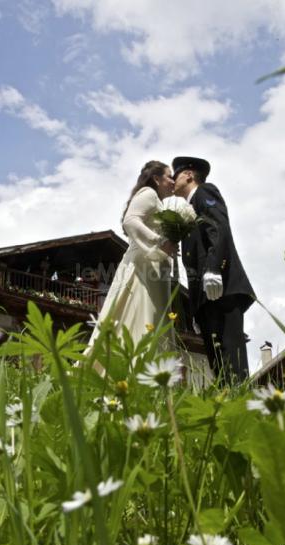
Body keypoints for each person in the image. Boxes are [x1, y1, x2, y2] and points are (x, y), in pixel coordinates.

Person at [172, 156, 255, 384]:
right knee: (218, 363)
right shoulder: (190, 207)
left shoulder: (205, 192)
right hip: (207, 297)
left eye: (175, 175)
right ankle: (228, 405)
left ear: (189, 174)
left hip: (223, 287)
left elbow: (218, 228)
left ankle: (242, 406)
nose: (172, 180)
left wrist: (214, 268)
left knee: (232, 357)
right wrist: (197, 306)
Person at [85, 161, 177, 356]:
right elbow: (131, 220)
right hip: (142, 267)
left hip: (154, 268)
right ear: (156, 179)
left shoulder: (160, 202)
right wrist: (160, 241)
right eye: (169, 176)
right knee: (143, 314)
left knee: (152, 316)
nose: (173, 181)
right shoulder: (149, 194)